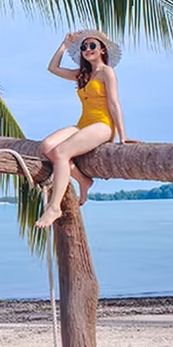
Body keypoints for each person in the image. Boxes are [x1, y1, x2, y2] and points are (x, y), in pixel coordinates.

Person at [34, 30, 134, 228]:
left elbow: (114, 104)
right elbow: (52, 68)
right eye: (83, 47)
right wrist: (64, 45)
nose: (87, 50)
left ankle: (54, 207)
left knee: (61, 152)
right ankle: (83, 181)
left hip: (103, 125)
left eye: (92, 46)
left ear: (102, 50)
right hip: (83, 124)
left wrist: (123, 136)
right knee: (46, 147)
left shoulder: (107, 72)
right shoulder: (82, 74)